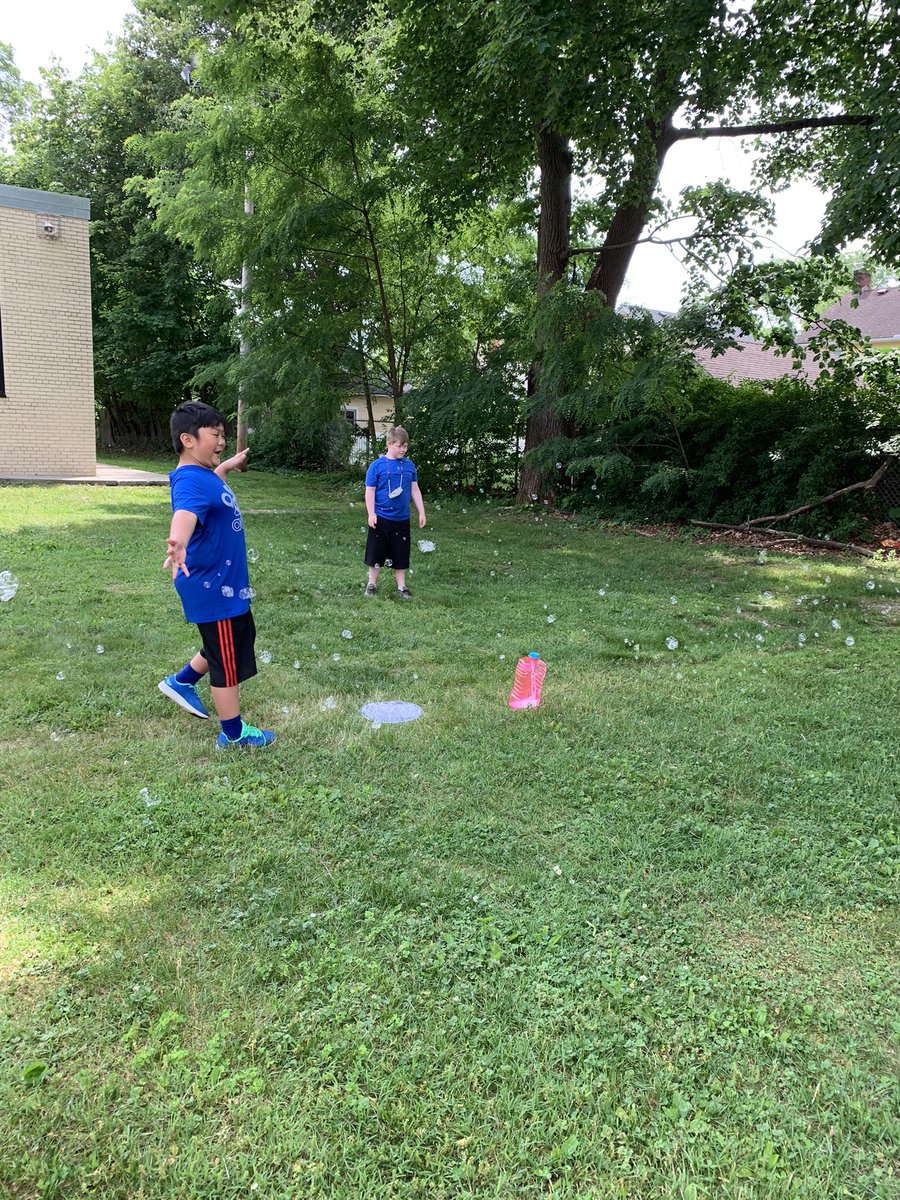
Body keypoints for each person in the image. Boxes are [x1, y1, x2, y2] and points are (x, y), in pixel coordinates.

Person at [157, 401, 275, 749]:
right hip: (213, 586)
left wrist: (226, 465)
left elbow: (212, 487)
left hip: (225, 586)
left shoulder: (204, 475)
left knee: (230, 640)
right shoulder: (190, 482)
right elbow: (185, 513)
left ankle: (181, 682)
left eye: (224, 435)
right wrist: (178, 542)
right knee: (226, 656)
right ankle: (234, 733)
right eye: (216, 435)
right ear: (188, 440)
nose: (223, 440)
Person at [364, 425, 426, 598]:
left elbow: (415, 489)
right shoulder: (376, 466)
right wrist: (371, 513)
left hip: (401, 518)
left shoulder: (409, 466)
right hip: (381, 517)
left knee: (400, 552)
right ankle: (371, 584)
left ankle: (402, 587)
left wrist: (421, 512)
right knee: (376, 552)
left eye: (405, 446)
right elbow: (370, 491)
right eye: (399, 446)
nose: (403, 450)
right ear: (389, 444)